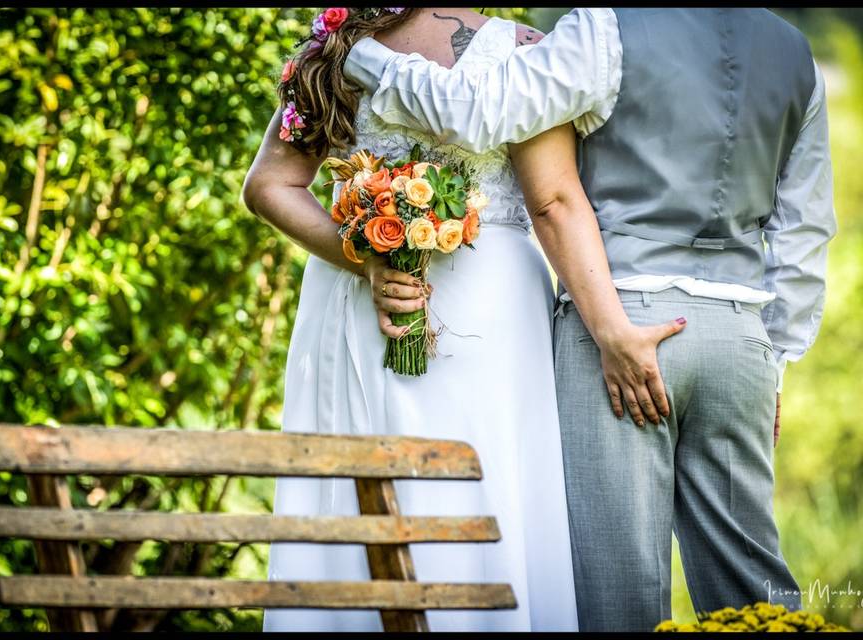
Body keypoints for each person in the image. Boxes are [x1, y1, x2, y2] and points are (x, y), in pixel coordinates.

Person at [343, 7, 837, 632]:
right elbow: (804, 231)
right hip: (740, 337)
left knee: (619, 591)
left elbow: (476, 112)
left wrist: (357, 51)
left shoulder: (605, 28)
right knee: (751, 584)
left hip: (617, 327)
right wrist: (777, 360)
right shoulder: (795, 54)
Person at [243, 7, 681, 632]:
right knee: (482, 481)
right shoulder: (526, 51)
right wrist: (612, 329)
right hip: (487, 306)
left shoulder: (334, 47)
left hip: (378, 302)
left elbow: (269, 186)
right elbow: (553, 200)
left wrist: (361, 256)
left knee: (366, 492)